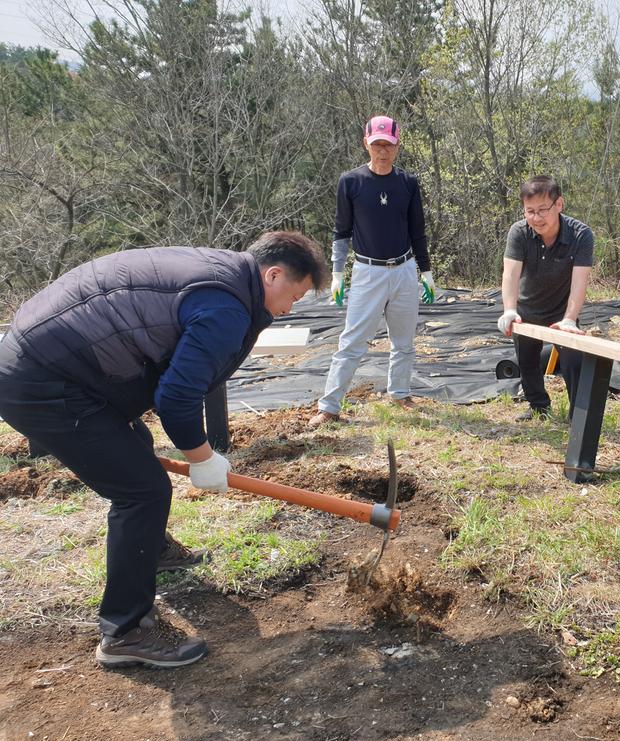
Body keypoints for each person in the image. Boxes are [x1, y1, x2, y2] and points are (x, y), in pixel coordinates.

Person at [0, 232, 328, 667]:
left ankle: (149, 548)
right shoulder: (226, 307)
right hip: (43, 379)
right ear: (273, 274)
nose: (290, 309)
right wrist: (201, 457)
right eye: (295, 295)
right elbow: (176, 397)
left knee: (135, 446)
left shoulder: (224, 274)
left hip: (57, 361)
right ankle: (124, 632)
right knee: (143, 490)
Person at [309, 115, 435, 426]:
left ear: (397, 146)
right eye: (377, 144)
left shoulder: (407, 184)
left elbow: (418, 231)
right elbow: (341, 231)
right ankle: (330, 406)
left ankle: (400, 392)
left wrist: (426, 272)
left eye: (388, 145)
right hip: (368, 271)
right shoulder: (351, 182)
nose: (382, 151)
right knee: (352, 342)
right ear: (366, 143)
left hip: (403, 269)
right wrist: (338, 274)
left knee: (404, 340)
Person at [498, 176, 593, 421]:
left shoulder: (581, 235)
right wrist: (510, 310)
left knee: (574, 360)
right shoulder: (518, 232)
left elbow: (580, 281)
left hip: (562, 311)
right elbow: (510, 274)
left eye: (543, 210)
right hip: (527, 308)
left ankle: (579, 416)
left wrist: (570, 319)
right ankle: (539, 407)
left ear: (559, 204)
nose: (537, 218)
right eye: (530, 211)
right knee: (527, 359)